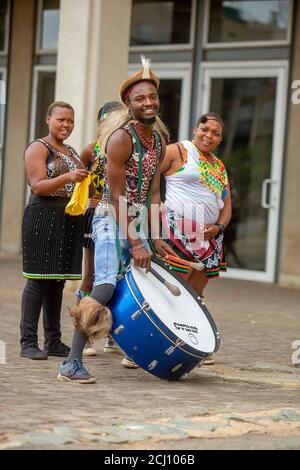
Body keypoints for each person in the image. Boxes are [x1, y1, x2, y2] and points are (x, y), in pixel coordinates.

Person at [58, 56, 176, 383]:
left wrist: (156, 236)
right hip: (111, 216)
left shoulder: (160, 141)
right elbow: (117, 195)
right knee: (106, 284)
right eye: (140, 98)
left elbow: (153, 194)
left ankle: (139, 352)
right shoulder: (121, 139)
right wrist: (137, 242)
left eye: (152, 97)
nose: (148, 102)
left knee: (136, 285)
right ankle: (71, 363)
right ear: (129, 103)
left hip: (136, 218)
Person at [21, 101, 90, 360]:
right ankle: (28, 343)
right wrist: (68, 178)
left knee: (57, 282)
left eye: (70, 121)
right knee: (38, 281)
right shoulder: (38, 147)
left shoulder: (70, 150)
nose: (66, 125)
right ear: (47, 119)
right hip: (43, 215)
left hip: (67, 218)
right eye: (61, 119)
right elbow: (37, 185)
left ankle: (53, 341)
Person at [161, 113, 232, 299]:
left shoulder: (219, 166)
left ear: (220, 139)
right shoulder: (177, 151)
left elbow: (226, 205)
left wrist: (219, 227)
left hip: (209, 237)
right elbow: (147, 181)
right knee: (172, 288)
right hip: (177, 231)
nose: (209, 135)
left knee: (194, 294)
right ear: (195, 130)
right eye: (204, 129)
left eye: (215, 133)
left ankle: (187, 326)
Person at [77, 101, 123, 357]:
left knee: (118, 276)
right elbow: (79, 182)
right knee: (91, 275)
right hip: (97, 213)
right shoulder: (91, 151)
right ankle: (83, 334)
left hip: (123, 214)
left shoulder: (125, 146)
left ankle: (114, 335)